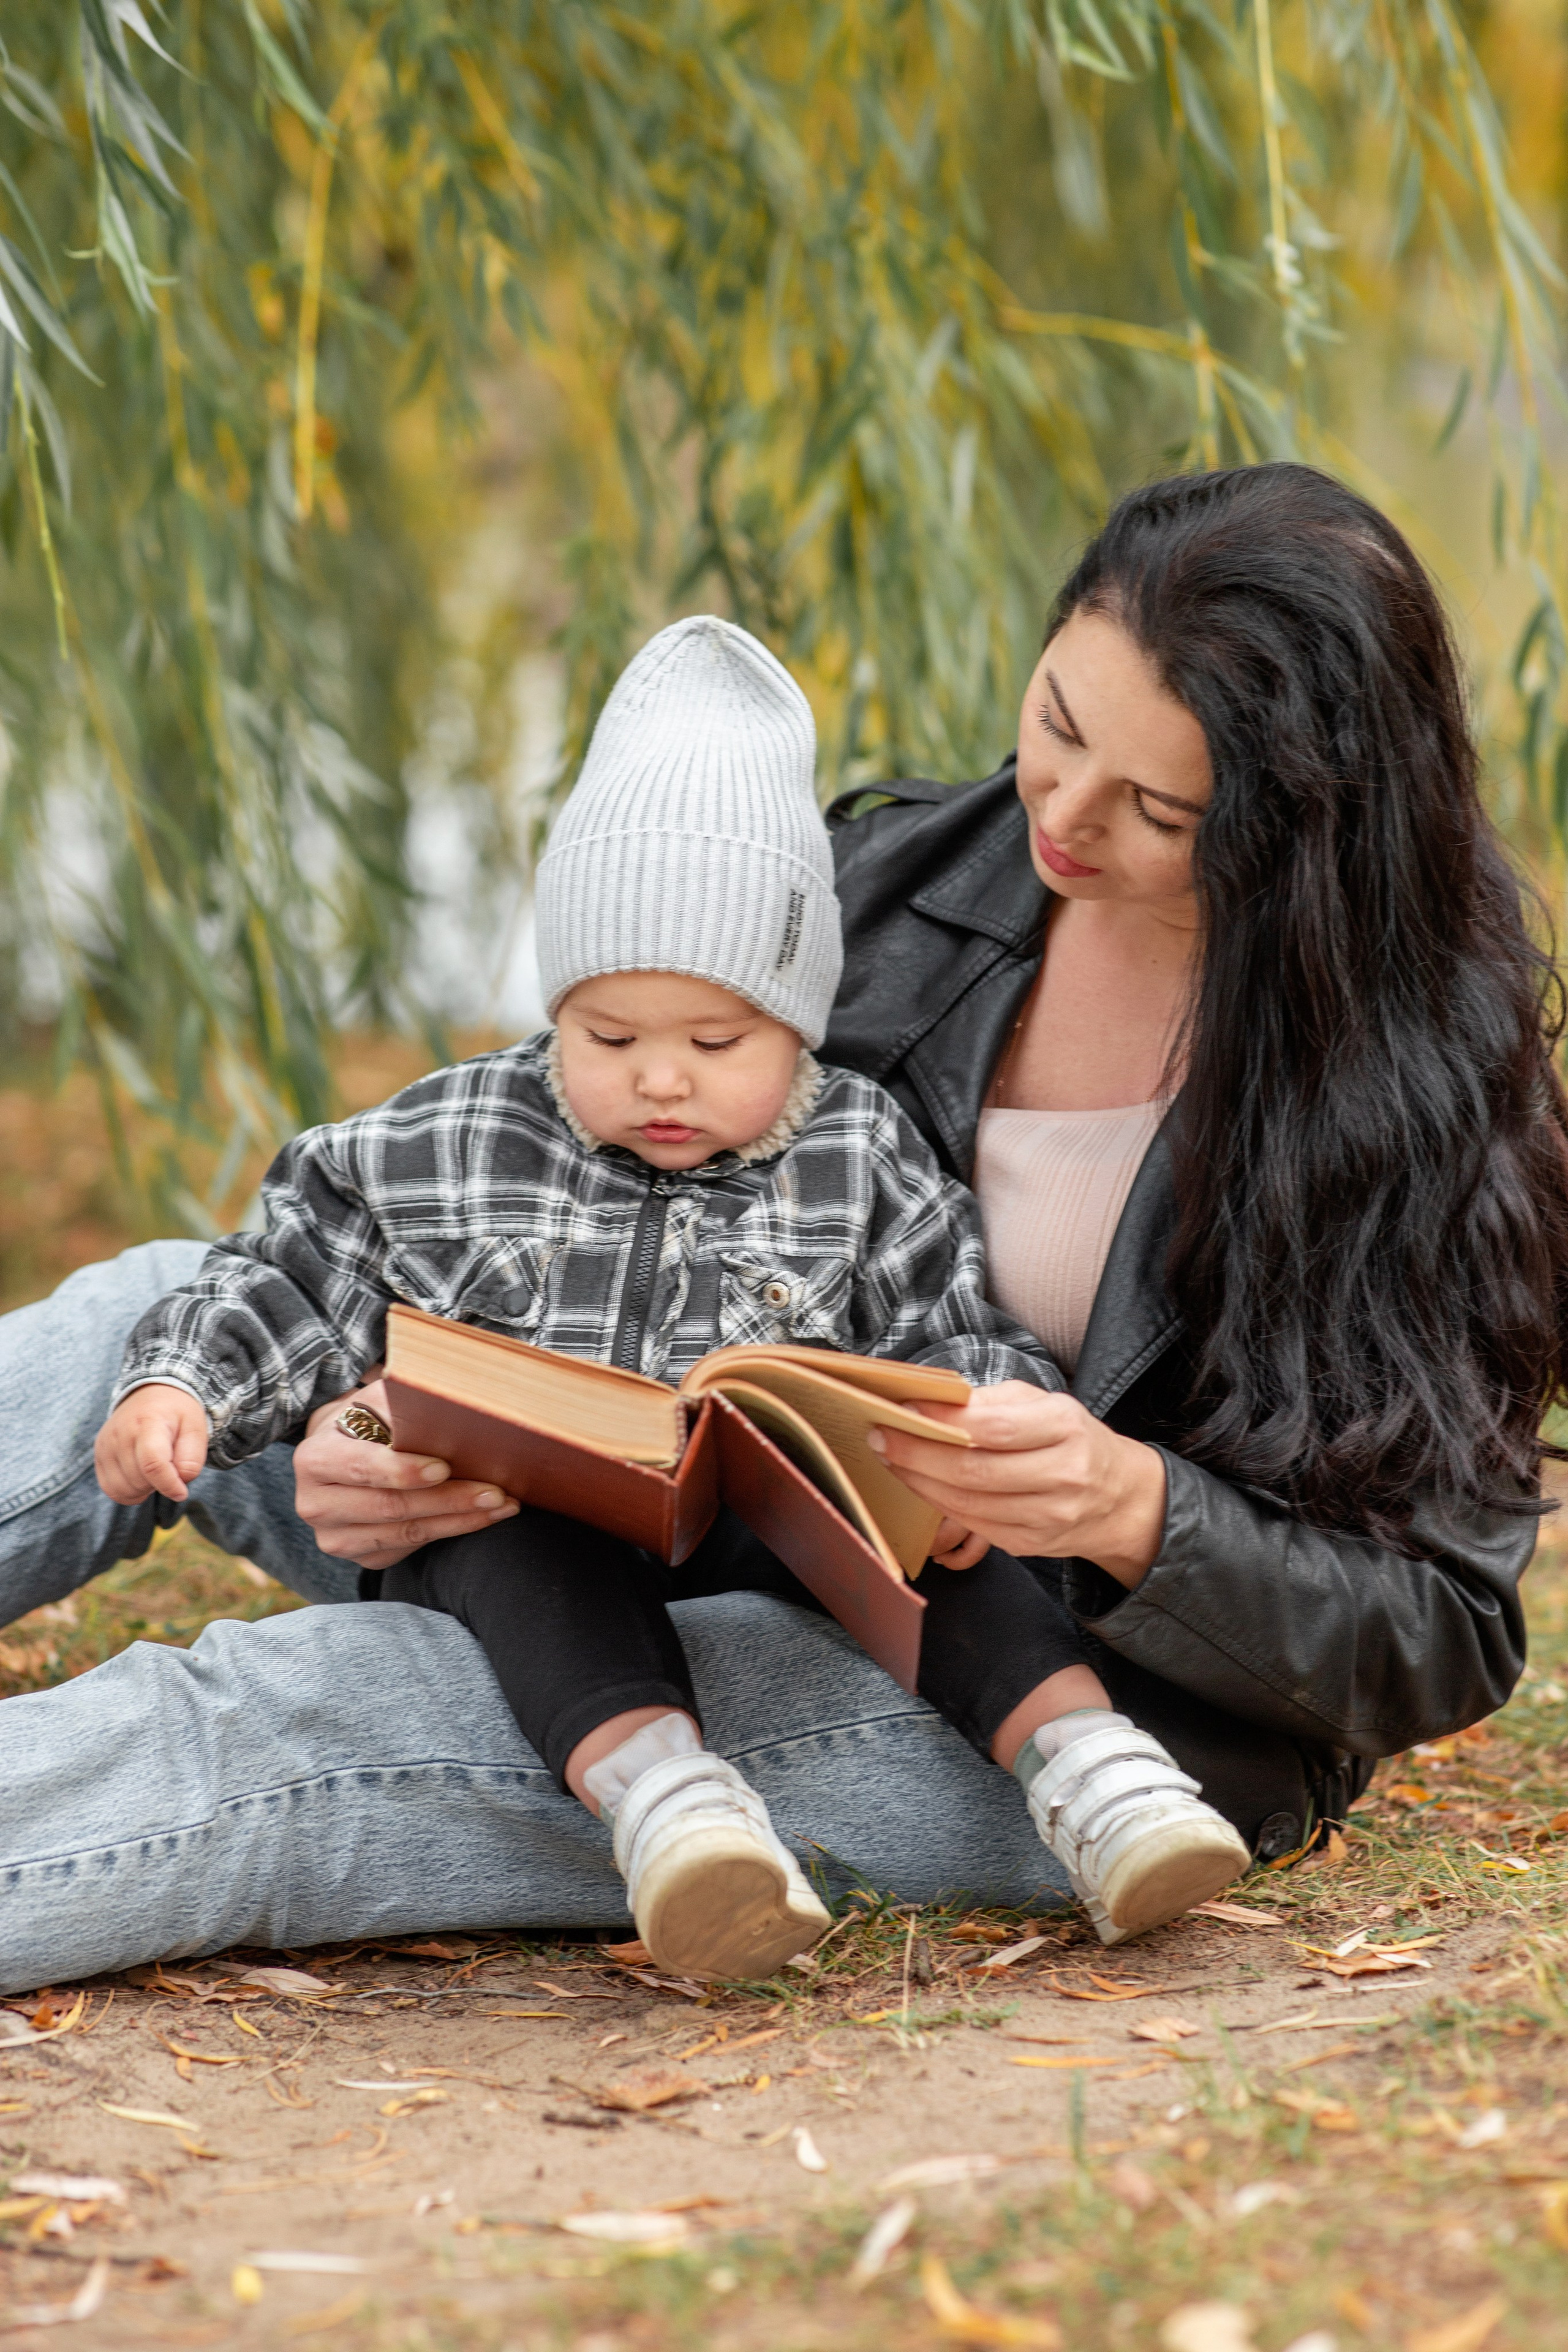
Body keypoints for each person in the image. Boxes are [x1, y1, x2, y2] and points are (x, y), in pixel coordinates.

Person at [0, 464, 1550, 1999]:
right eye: (1057, 725)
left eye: (1158, 809)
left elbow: (1440, 1630)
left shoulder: (1417, 1098)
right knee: (166, 1312)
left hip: (1021, 1665)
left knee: (307, 1713)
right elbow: (562, 1167)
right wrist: (376, 1422)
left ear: (1303, 832)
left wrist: (1132, 1506)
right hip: (622, 1517)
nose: (1058, 818)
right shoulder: (882, 884)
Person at [90, 617, 1249, 1978]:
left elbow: (953, 1325)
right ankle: (668, 1807)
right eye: (608, 1035)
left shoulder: (855, 1151)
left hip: (763, 1531)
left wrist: (983, 1433)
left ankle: (1087, 1764)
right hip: (535, 1511)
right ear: (556, 1006)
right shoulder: (459, 1132)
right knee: (512, 1552)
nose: (659, 1081)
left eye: (715, 1042)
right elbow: (292, 1264)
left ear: (796, 1021)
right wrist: (182, 1382)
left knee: (941, 1558)